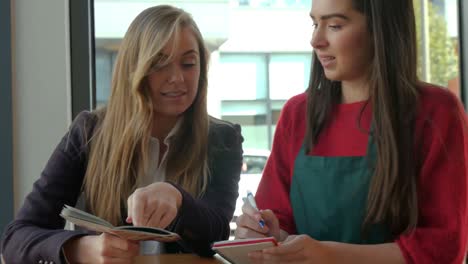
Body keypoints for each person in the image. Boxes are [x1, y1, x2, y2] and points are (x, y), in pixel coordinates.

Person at [1, 5, 243, 264]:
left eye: (188, 64)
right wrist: (80, 249)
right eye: (160, 64)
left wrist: (178, 199)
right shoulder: (89, 132)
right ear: (134, 69)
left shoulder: (222, 139)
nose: (177, 78)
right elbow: (17, 238)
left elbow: (215, 236)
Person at [235, 0, 468, 263]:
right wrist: (263, 232)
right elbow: (279, 224)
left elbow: (443, 248)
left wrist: (329, 255)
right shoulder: (296, 114)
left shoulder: (436, 112)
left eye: (334, 25)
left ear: (381, 29)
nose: (316, 40)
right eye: (315, 23)